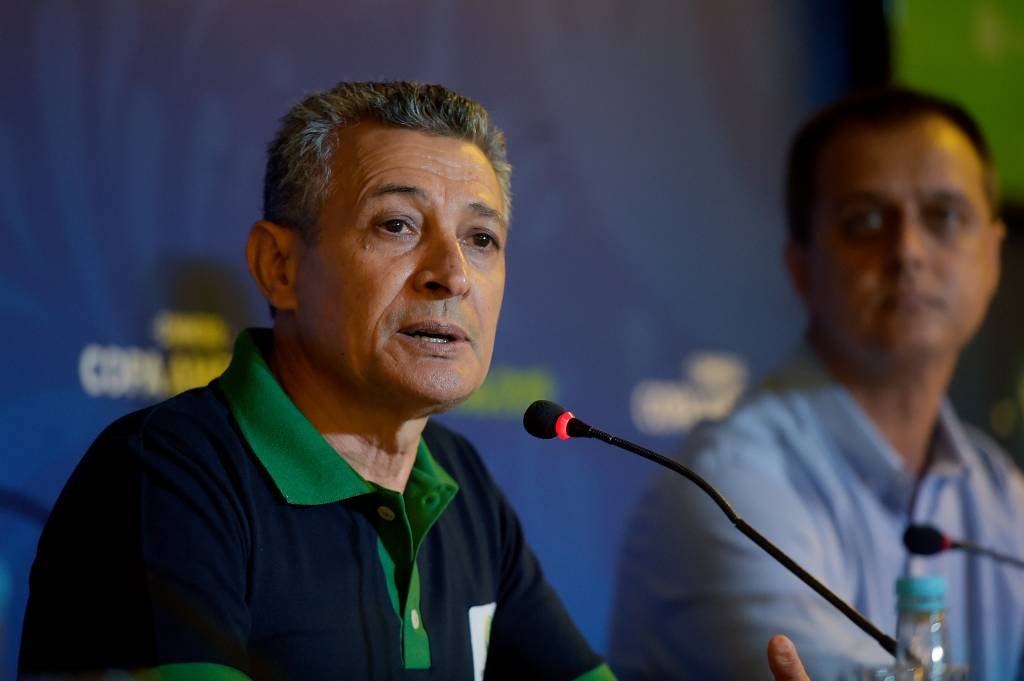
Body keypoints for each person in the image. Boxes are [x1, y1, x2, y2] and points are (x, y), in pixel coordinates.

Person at [18, 81, 813, 681]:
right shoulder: (169, 477)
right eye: (397, 225)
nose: (450, 274)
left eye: (482, 237)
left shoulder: (456, 480)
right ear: (280, 266)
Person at [608, 87, 1024, 680]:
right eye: (867, 221)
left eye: (944, 217)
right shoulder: (726, 488)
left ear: (992, 258)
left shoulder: (1003, 499)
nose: (907, 251)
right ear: (801, 266)